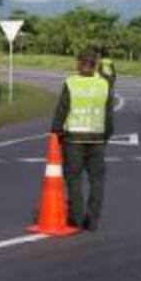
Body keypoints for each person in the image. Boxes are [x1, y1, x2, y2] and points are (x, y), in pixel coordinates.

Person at [51, 50, 115, 232]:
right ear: (95, 65)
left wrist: (56, 134)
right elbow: (109, 115)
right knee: (97, 180)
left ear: (79, 64)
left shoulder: (71, 83)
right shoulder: (104, 84)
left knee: (74, 178)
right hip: (97, 139)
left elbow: (61, 110)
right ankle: (93, 219)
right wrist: (106, 136)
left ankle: (76, 218)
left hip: (73, 140)